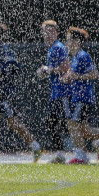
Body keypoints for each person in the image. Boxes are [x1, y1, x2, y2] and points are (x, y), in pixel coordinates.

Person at [0, 23, 43, 163]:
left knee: (12, 123)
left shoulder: (3, 50)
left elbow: (14, 68)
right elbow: (2, 68)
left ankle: (35, 146)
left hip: (4, 93)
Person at [60, 27, 99, 164]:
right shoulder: (75, 57)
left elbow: (95, 74)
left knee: (72, 125)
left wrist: (76, 76)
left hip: (83, 98)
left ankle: (81, 156)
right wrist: (67, 78)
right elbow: (74, 75)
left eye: (68, 40)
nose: (66, 43)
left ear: (76, 41)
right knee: (82, 129)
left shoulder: (83, 55)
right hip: (79, 97)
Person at [36, 20, 71, 164]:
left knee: (69, 124)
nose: (48, 35)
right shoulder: (51, 48)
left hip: (63, 93)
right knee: (55, 123)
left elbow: (66, 67)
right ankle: (60, 153)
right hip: (56, 93)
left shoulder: (58, 47)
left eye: (51, 32)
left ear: (56, 33)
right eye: (46, 32)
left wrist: (49, 70)